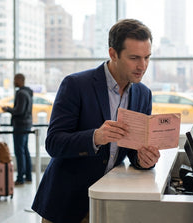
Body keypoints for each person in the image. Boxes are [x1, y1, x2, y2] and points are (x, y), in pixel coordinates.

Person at [31, 19, 161, 223]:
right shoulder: (76, 85)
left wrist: (145, 160)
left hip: (108, 203)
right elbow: (53, 143)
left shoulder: (143, 94)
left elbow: (133, 151)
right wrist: (95, 137)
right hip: (67, 203)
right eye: (134, 58)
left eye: (147, 58)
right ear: (113, 54)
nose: (142, 66)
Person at [2, 73, 33, 185]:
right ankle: (28, 176)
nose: (14, 81)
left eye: (15, 79)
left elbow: (19, 111)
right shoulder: (28, 92)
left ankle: (20, 178)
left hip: (20, 125)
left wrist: (8, 109)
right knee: (25, 150)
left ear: (20, 80)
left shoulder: (20, 93)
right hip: (27, 124)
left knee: (19, 152)